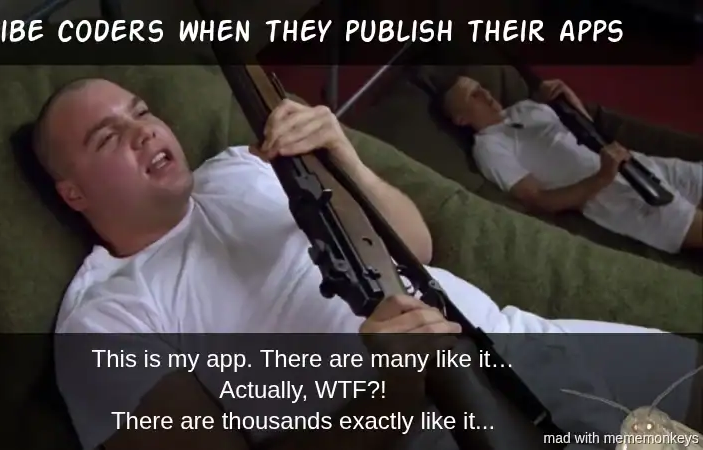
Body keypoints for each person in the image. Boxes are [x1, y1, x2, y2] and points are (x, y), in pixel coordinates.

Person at [39, 78, 702, 450]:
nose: (145, 131)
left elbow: (416, 246)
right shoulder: (104, 316)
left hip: (514, 341)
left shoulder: (242, 164)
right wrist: (394, 389)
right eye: (109, 136)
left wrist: (345, 159)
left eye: (142, 112)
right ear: (74, 194)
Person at [441, 75, 703, 254]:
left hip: (638, 162)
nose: (485, 93)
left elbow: (587, 133)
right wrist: (602, 177)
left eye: (481, 87)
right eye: (473, 95)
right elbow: (538, 200)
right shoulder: (488, 147)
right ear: (461, 119)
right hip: (617, 197)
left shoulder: (525, 108)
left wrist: (570, 99)